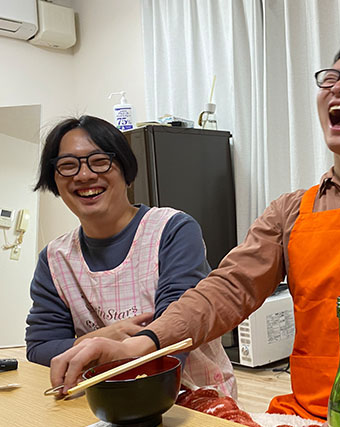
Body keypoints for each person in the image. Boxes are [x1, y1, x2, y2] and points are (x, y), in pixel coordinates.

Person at [50, 41, 340, 425]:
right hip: (307, 413)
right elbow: (227, 289)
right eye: (329, 79)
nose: (337, 87)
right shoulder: (290, 209)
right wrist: (144, 345)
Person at [26, 115, 237, 397]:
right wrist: (102, 337)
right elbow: (40, 348)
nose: (84, 175)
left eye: (99, 161)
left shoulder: (172, 230)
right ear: (53, 179)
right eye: (67, 165)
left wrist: (98, 346)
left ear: (126, 170)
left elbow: (178, 331)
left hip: (193, 394)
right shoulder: (54, 259)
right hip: (103, 399)